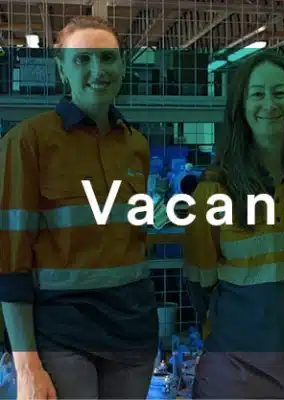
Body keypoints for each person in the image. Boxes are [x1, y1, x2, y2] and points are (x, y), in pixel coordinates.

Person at [0, 15, 158, 399]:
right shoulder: (27, 142)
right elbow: (10, 260)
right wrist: (26, 366)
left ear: (122, 65)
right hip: (63, 333)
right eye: (82, 59)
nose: (97, 71)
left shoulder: (135, 145)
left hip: (133, 331)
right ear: (62, 70)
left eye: (107, 58)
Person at [183, 51, 284, 399]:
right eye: (257, 94)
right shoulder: (214, 189)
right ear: (240, 106)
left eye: (280, 93)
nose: (269, 104)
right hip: (234, 371)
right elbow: (200, 285)